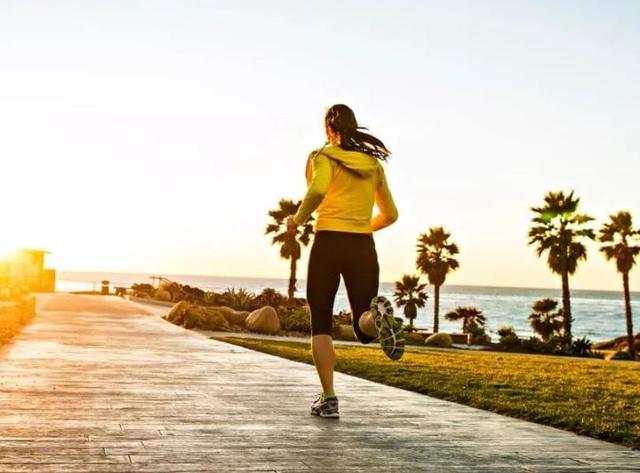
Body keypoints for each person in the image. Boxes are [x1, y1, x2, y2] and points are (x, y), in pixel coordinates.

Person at [286, 104, 404, 419]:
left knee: (321, 320)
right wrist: (364, 226)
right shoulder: (373, 165)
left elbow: (318, 189)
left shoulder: (323, 156)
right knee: (363, 324)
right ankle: (377, 319)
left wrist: (297, 219)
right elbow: (391, 214)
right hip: (362, 245)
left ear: (329, 129)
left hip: (328, 243)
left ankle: (329, 398)